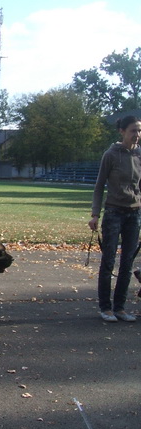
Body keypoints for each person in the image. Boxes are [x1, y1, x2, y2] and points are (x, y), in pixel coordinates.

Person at [89, 115, 141, 323]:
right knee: (108, 261)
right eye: (133, 130)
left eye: (139, 131)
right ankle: (105, 307)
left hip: (134, 213)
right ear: (122, 131)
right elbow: (99, 185)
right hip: (114, 212)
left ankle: (120, 307)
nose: (137, 134)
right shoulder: (110, 155)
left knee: (127, 262)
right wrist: (95, 214)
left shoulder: (139, 154)